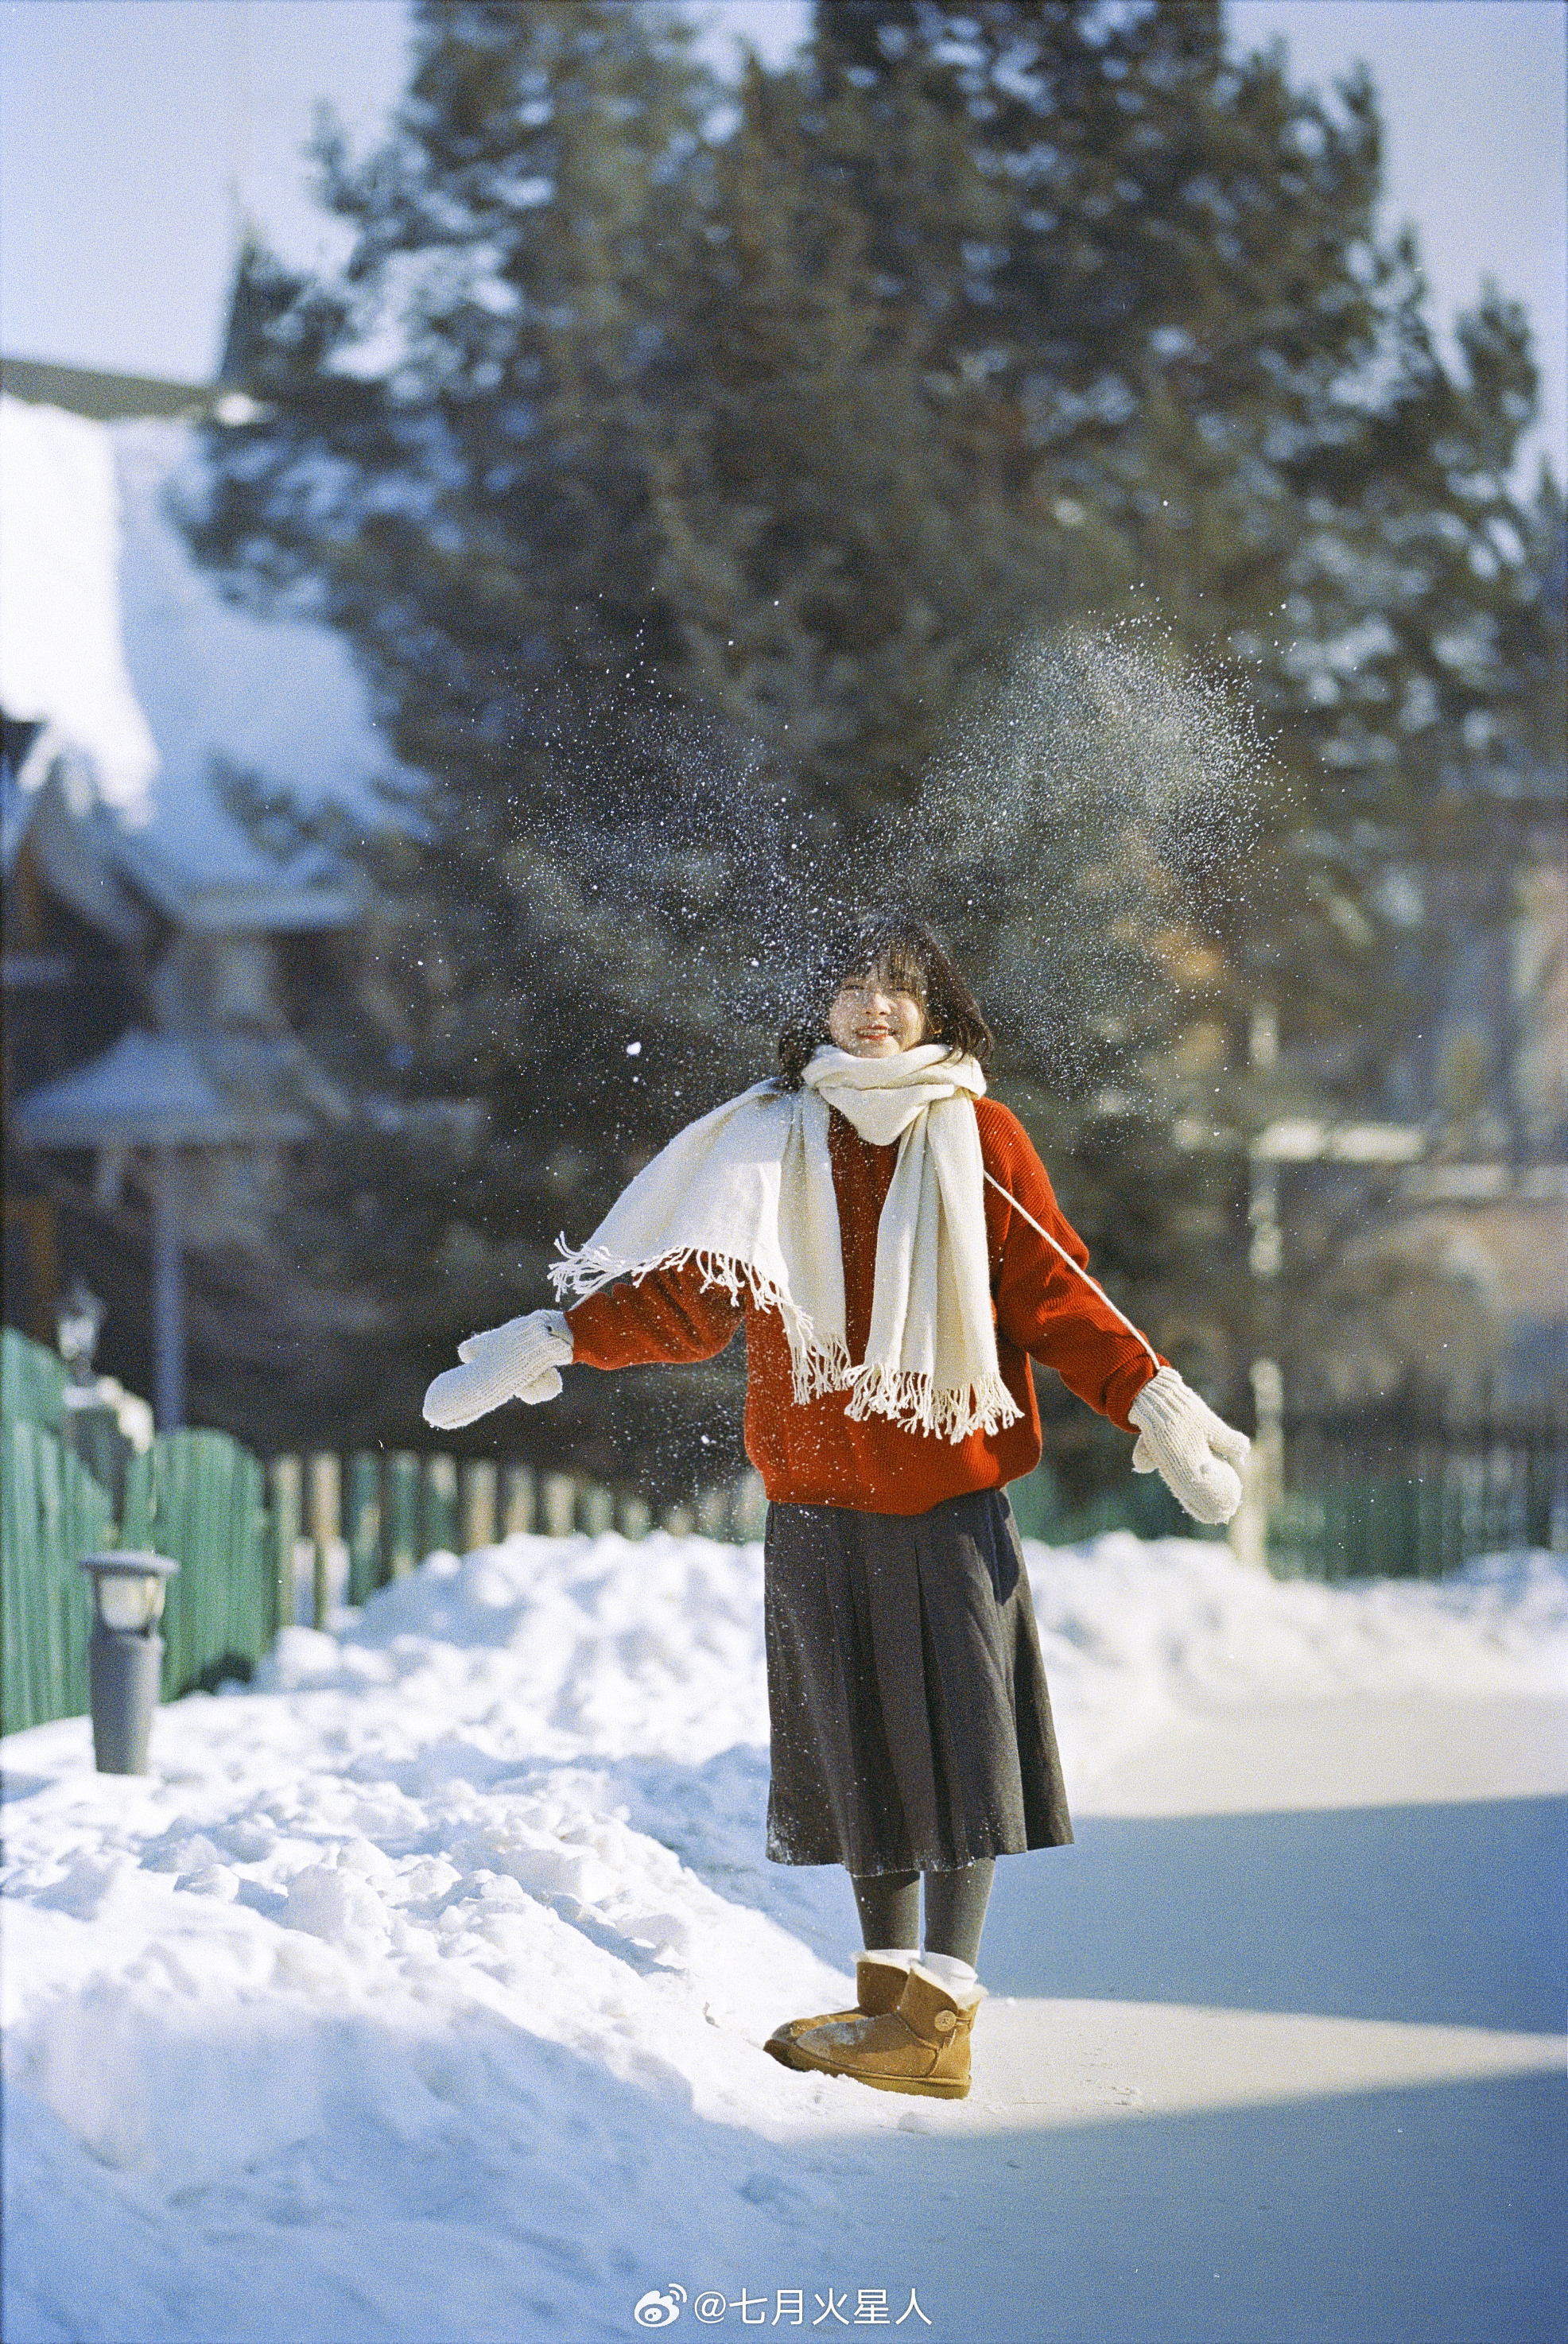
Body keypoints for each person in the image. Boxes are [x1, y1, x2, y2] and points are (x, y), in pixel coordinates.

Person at [423, 910, 1249, 2101]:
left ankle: (941, 2016)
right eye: (853, 986)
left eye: (900, 990)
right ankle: (886, 2006)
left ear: (939, 1010)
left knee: (960, 1759)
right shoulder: (772, 1142)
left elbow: (1057, 1292)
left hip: (950, 1499)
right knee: (856, 1759)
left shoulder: (978, 1135)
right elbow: (694, 1299)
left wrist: (1154, 1407)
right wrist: (552, 1336)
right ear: (818, 1008)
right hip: (814, 1504)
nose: (874, 1008)